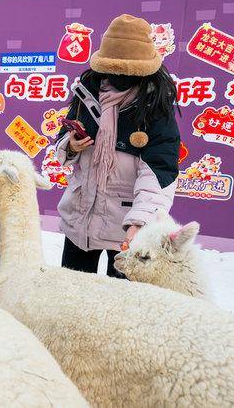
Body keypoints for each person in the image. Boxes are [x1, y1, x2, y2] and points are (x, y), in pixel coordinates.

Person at [55, 14, 181, 278]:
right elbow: (63, 141)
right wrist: (72, 145)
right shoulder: (87, 91)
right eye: (113, 67)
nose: (118, 75)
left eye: (126, 70)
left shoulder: (155, 106)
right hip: (81, 219)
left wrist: (139, 222)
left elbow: (159, 172)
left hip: (125, 227)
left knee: (118, 307)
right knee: (71, 300)